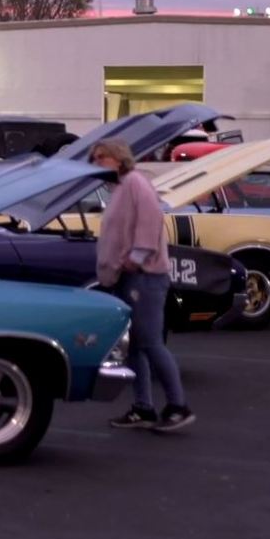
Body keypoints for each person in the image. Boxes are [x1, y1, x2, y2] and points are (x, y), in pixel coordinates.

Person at [93, 138, 194, 432]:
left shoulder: (136, 183)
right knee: (135, 346)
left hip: (145, 276)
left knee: (149, 341)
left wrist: (136, 258)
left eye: (102, 157)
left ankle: (178, 405)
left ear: (118, 157)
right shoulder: (120, 188)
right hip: (128, 276)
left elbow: (150, 222)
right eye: (95, 158)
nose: (97, 162)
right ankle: (143, 407)